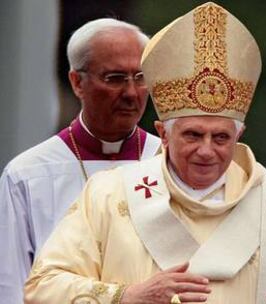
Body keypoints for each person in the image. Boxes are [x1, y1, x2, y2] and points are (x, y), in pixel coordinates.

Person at [24, 3, 266, 303]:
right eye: (192, 135)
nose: (207, 151)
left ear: (240, 135)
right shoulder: (107, 196)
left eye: (220, 137)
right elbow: (43, 287)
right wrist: (128, 296)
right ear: (163, 134)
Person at [0, 18, 161, 303]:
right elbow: (10, 284)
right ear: (77, 82)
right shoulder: (28, 174)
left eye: (140, 77)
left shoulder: (170, 163)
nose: (131, 93)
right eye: (115, 78)